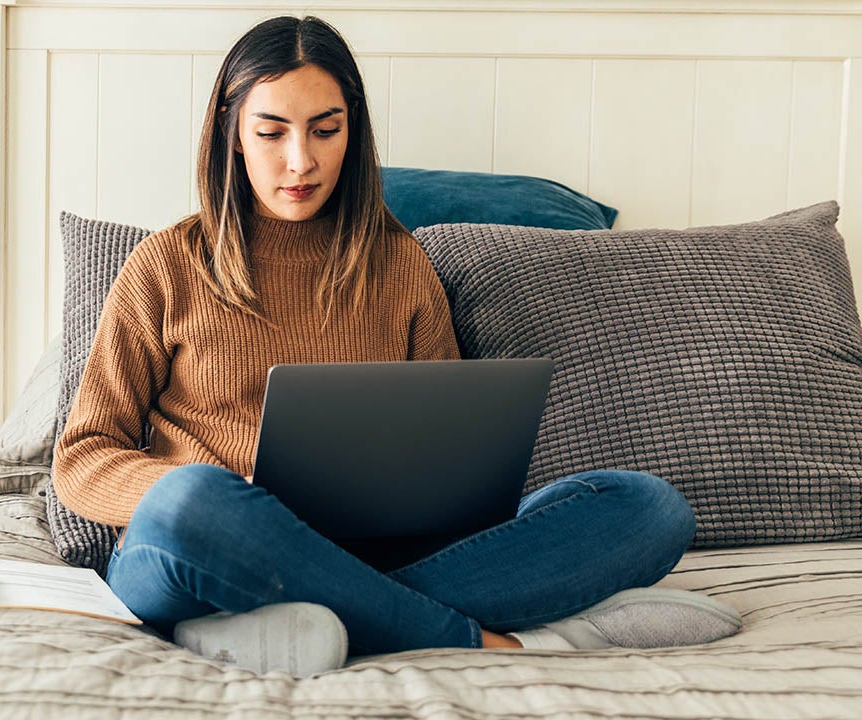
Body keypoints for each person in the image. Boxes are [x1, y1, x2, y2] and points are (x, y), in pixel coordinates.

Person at [53, 15, 741, 677]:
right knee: (190, 500)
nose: (301, 160)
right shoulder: (166, 264)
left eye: (326, 130)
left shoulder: (399, 265)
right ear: (232, 134)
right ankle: (484, 640)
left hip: (373, 548)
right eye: (272, 133)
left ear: (353, 131)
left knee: (648, 508)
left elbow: (452, 460)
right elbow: (82, 457)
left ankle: (300, 618)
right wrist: (222, 493)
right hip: (201, 546)